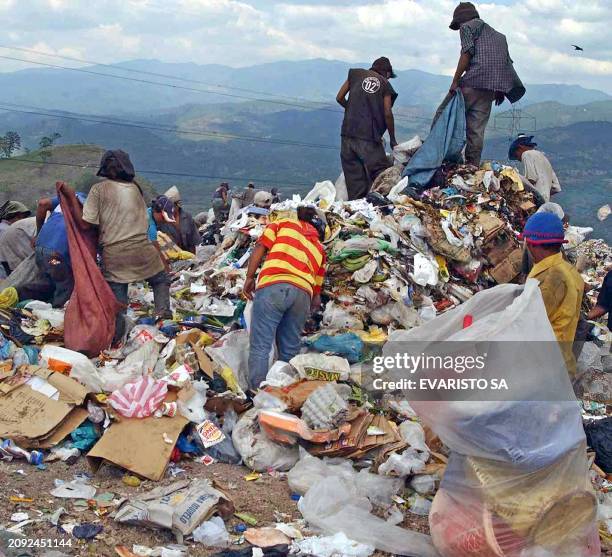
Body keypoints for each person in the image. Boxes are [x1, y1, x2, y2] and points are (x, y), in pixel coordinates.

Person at [76, 150, 171, 341]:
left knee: (118, 302)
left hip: (115, 253)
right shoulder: (135, 188)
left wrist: (73, 209)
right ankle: (163, 321)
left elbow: (87, 223)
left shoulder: (99, 190)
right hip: (143, 249)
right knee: (160, 280)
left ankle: (117, 338)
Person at [243, 206, 327, 389]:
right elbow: (317, 297)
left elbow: (260, 246)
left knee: (261, 345)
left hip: (274, 284)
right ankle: (287, 392)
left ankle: (257, 393)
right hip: (303, 294)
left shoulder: (283, 224)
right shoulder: (320, 249)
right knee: (290, 349)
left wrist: (250, 277)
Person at [442, 2, 525, 166]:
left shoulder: (467, 27)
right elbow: (505, 63)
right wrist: (500, 90)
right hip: (489, 89)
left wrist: (455, 80)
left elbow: (467, 53)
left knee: (443, 116)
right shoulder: (500, 37)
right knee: (476, 130)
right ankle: (472, 166)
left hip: (471, 82)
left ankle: (437, 159)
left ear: (460, 20)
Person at [520, 212, 584, 375]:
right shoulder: (568, 270)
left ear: (533, 244)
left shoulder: (548, 280)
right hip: (561, 358)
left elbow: (527, 325)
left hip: (545, 366)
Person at [336, 57, 398, 200]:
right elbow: (388, 113)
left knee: (354, 179)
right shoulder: (385, 85)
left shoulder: (355, 75)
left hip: (347, 134)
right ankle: (380, 207)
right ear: (388, 73)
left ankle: (357, 210)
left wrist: (352, 109)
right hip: (368, 137)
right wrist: (393, 139)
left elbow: (339, 97)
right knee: (382, 174)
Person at [32, 192, 86, 307]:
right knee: (65, 286)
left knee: (47, 283)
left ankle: (39, 310)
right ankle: (57, 315)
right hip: (56, 258)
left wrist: (39, 233)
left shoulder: (67, 199)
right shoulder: (88, 205)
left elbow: (42, 204)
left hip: (40, 251)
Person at [509, 135, 561, 203]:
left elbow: (531, 178)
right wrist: (545, 193)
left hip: (535, 200)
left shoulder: (526, 154)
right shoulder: (543, 158)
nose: (519, 159)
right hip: (545, 201)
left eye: (516, 155)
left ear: (520, 147)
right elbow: (556, 188)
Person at [162, 186, 201, 254]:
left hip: (187, 253)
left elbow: (193, 239)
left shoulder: (187, 217)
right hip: (172, 255)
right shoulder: (163, 219)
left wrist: (193, 258)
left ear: (177, 205)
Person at [147, 195, 175, 271]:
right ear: (156, 212)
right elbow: (157, 253)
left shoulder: (149, 211)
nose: (165, 220)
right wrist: (168, 270)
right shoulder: (150, 227)